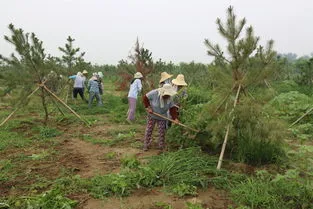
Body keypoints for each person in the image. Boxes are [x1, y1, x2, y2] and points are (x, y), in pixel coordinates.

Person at [143, 84, 178, 151]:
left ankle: (161, 146)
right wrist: (148, 107)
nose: (167, 96)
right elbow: (145, 98)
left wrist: (175, 118)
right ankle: (146, 144)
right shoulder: (154, 93)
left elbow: (172, 109)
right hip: (152, 115)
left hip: (162, 116)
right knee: (149, 130)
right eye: (166, 95)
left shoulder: (170, 99)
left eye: (168, 95)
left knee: (162, 132)